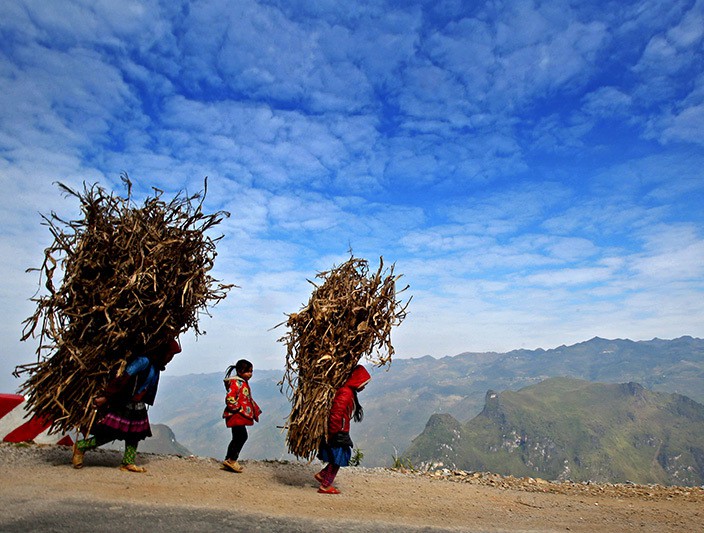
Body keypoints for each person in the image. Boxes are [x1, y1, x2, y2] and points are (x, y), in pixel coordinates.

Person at [71, 336, 181, 472]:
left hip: (138, 405)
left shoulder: (155, 367)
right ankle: (81, 447)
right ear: (162, 352)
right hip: (123, 403)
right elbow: (123, 379)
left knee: (134, 434)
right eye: (170, 355)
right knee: (110, 433)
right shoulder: (143, 362)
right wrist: (107, 397)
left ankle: (128, 462)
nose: (170, 359)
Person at [315, 364, 371, 494]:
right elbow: (336, 413)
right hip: (338, 431)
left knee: (340, 457)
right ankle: (325, 485)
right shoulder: (345, 393)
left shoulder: (349, 392)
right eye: (364, 383)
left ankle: (323, 475)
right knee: (339, 458)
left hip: (340, 429)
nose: (364, 387)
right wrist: (334, 432)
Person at [222, 359, 261, 473]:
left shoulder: (242, 382)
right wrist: (237, 408)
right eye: (247, 371)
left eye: (251, 371)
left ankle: (228, 460)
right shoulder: (236, 383)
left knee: (237, 437)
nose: (250, 374)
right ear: (239, 371)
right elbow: (230, 397)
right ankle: (232, 460)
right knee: (242, 436)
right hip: (236, 415)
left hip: (238, 414)